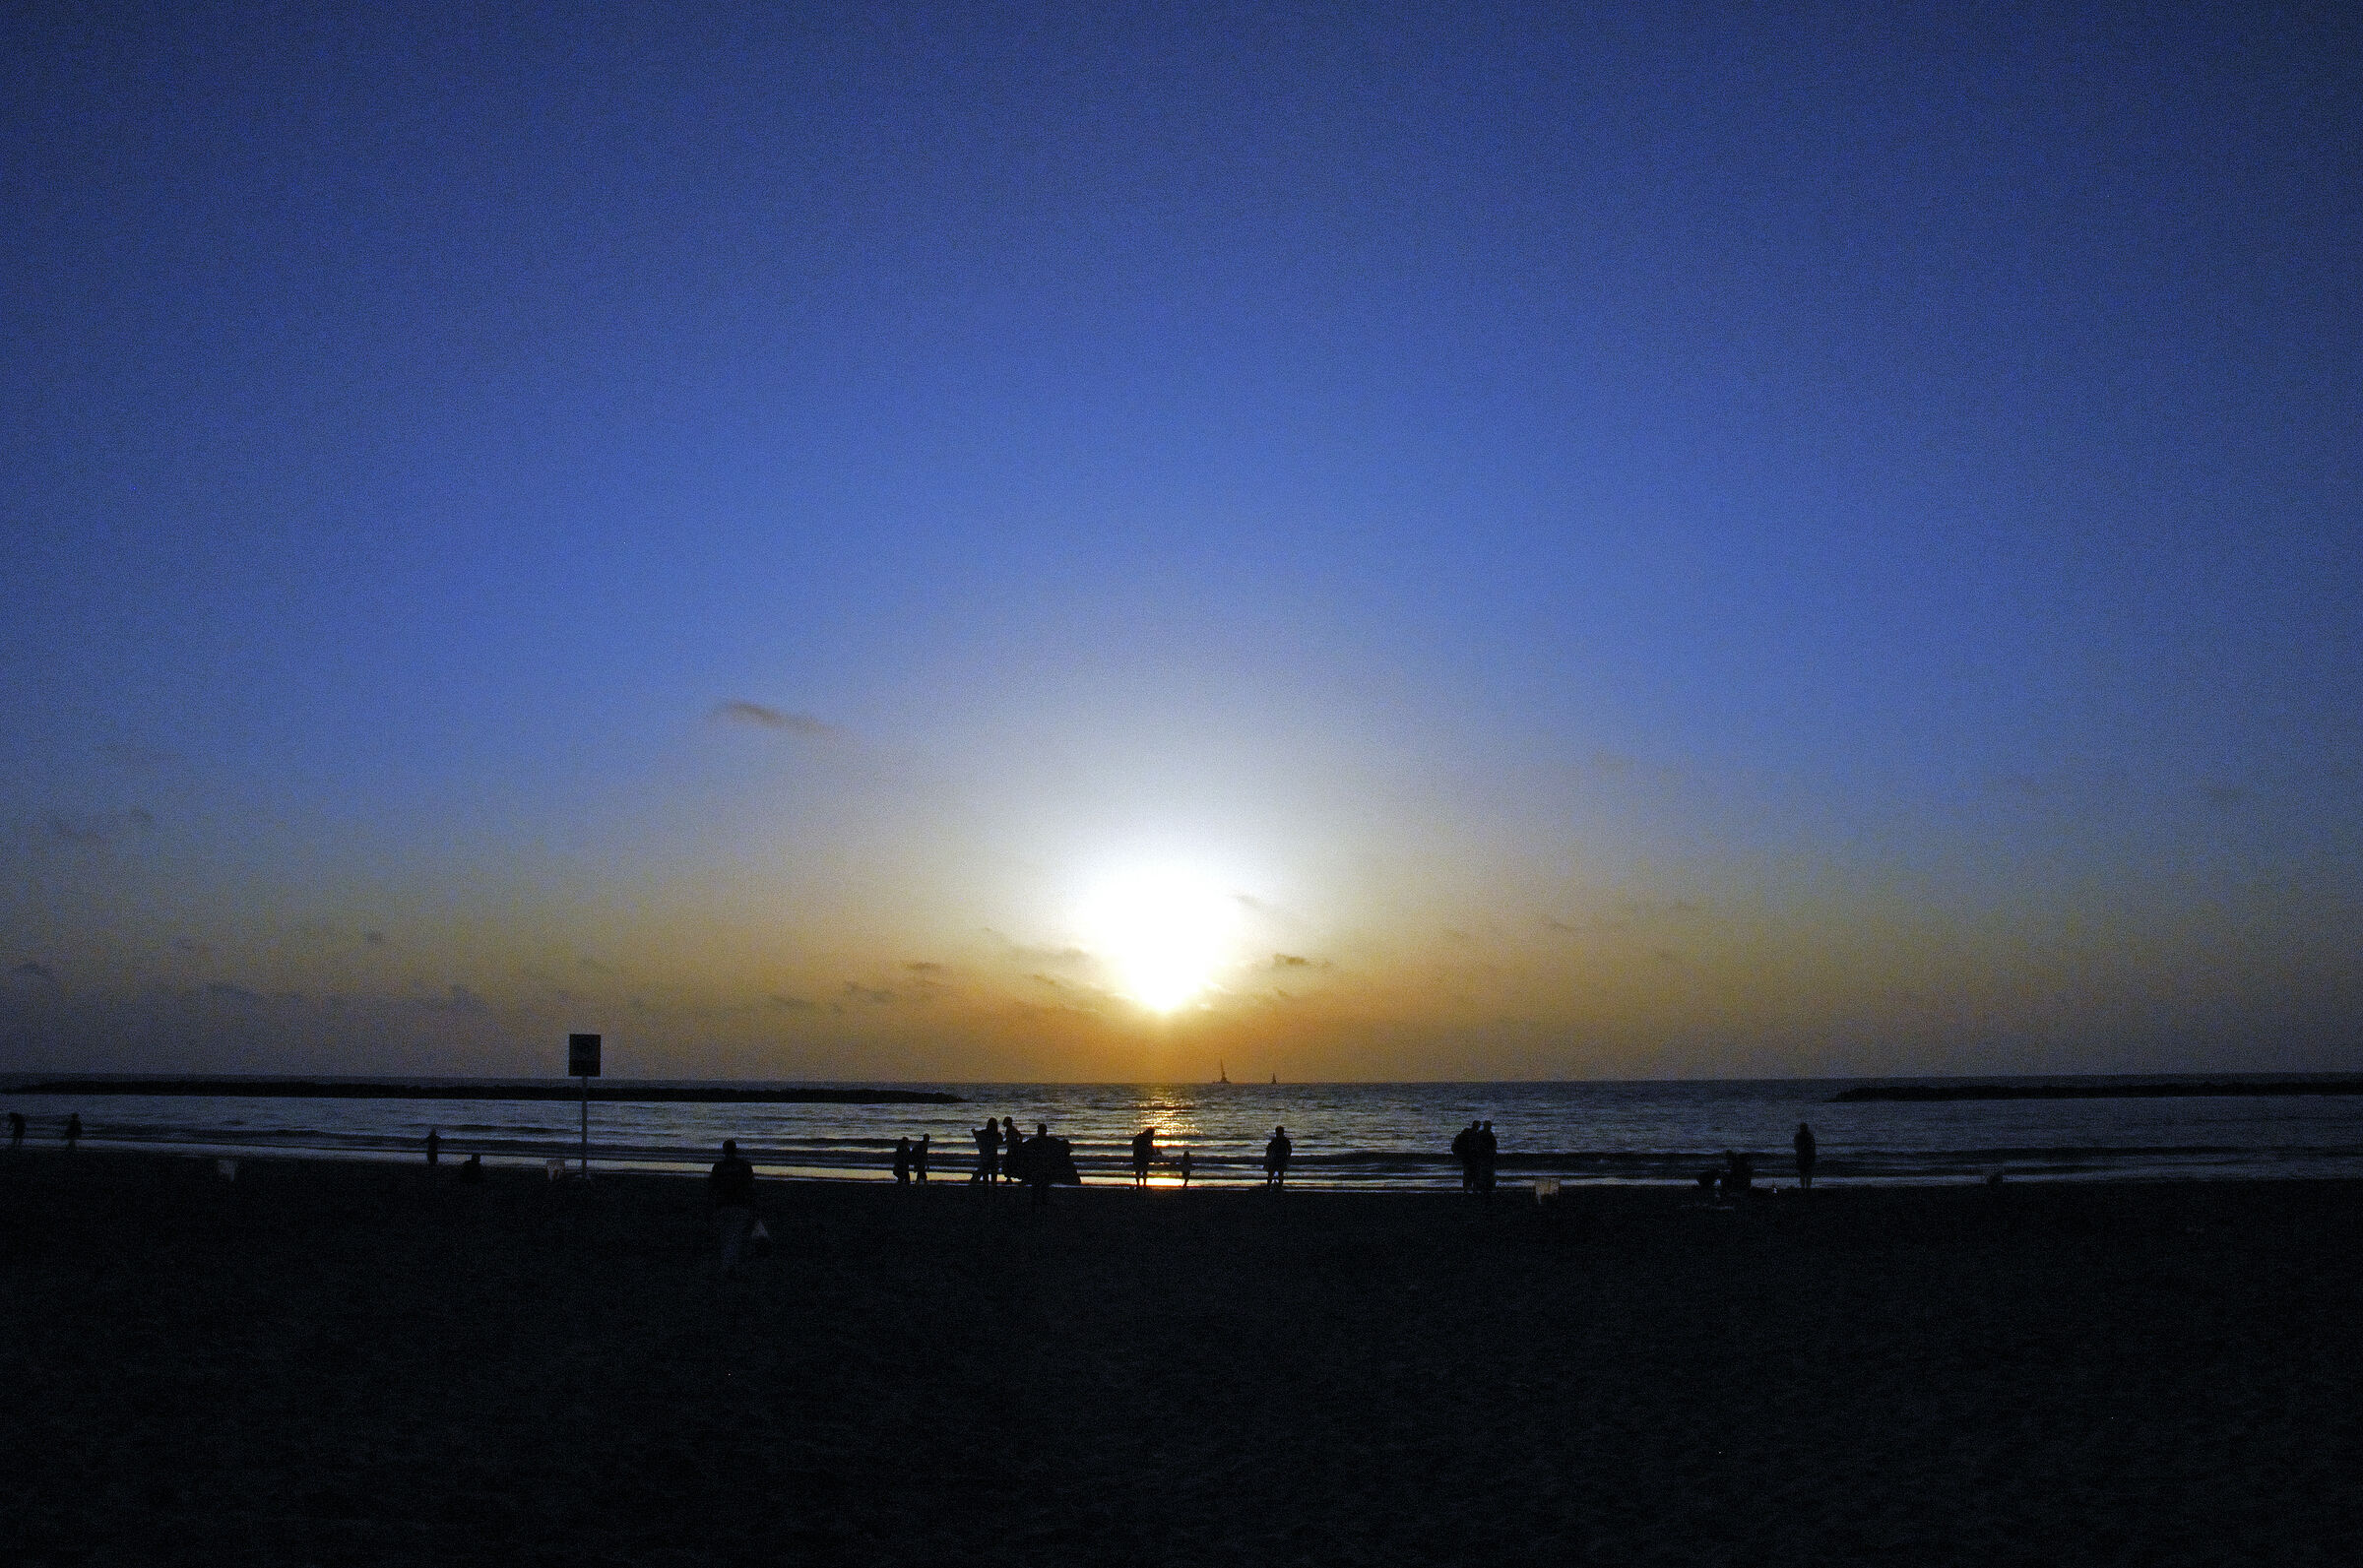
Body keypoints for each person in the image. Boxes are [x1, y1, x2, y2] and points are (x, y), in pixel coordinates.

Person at [709, 1139, 757, 1276]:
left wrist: (711, 1205)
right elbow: (751, 1186)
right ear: (736, 1150)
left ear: (724, 1151)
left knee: (725, 1236)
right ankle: (732, 1266)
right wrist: (753, 1205)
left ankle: (727, 1266)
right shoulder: (745, 1166)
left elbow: (712, 1187)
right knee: (737, 1235)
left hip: (723, 1204)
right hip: (740, 1204)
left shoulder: (718, 1166)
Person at [972, 1119, 1000, 1184]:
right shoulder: (997, 1135)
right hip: (993, 1156)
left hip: (985, 1156)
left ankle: (985, 1189)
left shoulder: (983, 1133)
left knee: (985, 1176)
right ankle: (993, 1188)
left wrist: (974, 1132)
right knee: (994, 1176)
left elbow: (977, 1136)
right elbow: (1000, 1142)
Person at [1475, 1120, 1499, 1200]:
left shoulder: (1481, 1134)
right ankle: (1487, 1188)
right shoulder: (1488, 1134)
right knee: (1488, 1173)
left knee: (1483, 1173)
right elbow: (1494, 1145)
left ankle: (1483, 1188)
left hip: (1483, 1157)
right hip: (1487, 1157)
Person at [1794, 1121, 1818, 1190]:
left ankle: (1804, 1188)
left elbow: (1796, 1146)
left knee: (1803, 1173)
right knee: (1807, 1173)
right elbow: (1813, 1146)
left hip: (1803, 1156)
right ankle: (1807, 1188)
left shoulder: (1798, 1136)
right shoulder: (1809, 1136)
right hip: (1807, 1156)